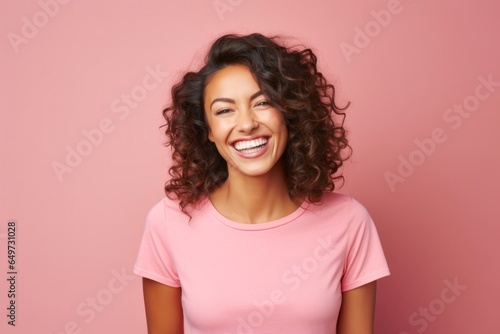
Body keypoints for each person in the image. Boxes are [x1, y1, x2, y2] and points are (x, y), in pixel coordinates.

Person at [134, 33, 390, 334]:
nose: (246, 124)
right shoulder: (168, 223)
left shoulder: (349, 221)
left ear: (289, 113)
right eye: (224, 110)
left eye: (263, 102)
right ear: (208, 131)